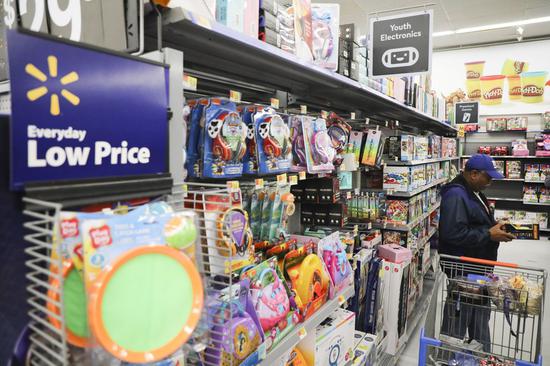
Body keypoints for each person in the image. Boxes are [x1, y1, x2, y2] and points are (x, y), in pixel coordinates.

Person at [438, 154, 515, 352]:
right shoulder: (456, 194)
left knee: (479, 315)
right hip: (464, 270)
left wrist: (495, 227)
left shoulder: (473, 191)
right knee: (458, 321)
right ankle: (447, 358)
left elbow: (474, 221)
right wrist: (488, 234)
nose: (490, 182)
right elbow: (452, 233)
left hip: (478, 268)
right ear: (473, 174)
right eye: (488, 177)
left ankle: (480, 355)